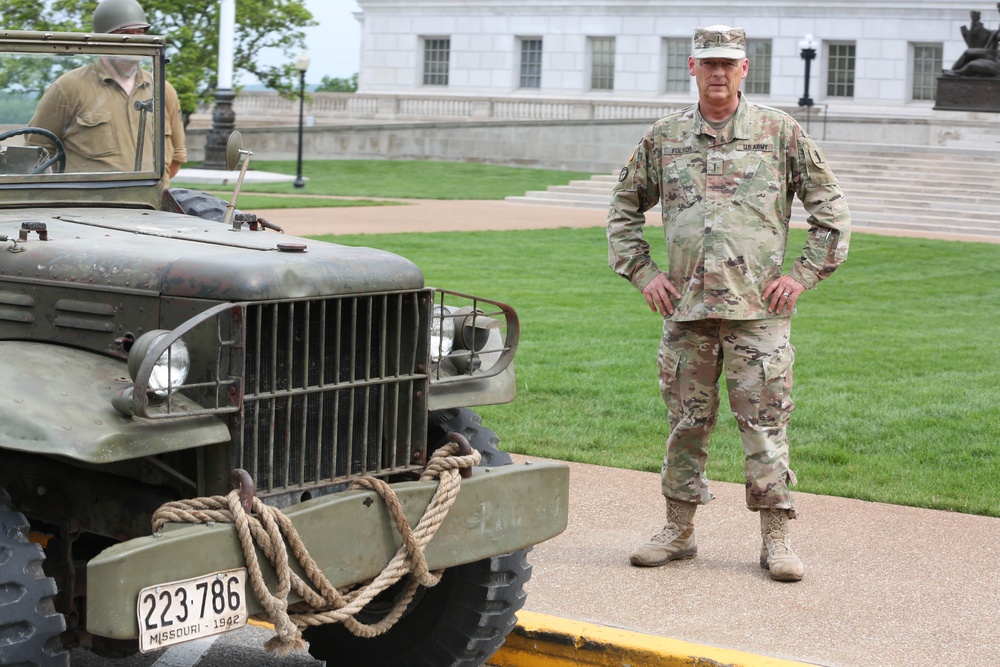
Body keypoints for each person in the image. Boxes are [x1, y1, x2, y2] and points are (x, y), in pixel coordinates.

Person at [606, 25, 851, 582]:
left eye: (729, 64)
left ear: (745, 70)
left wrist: (803, 275)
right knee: (686, 424)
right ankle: (678, 530)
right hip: (687, 312)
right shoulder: (664, 137)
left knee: (764, 427)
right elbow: (622, 211)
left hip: (758, 314)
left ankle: (777, 537)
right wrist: (643, 273)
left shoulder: (778, 133)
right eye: (708, 62)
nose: (719, 72)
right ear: (692, 68)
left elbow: (831, 209)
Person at [27, 0, 185, 178]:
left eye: (139, 33)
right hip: (90, 203)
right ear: (103, 39)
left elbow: (176, 158)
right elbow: (37, 153)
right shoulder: (68, 87)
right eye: (125, 35)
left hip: (149, 202)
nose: (136, 41)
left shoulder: (162, 89)